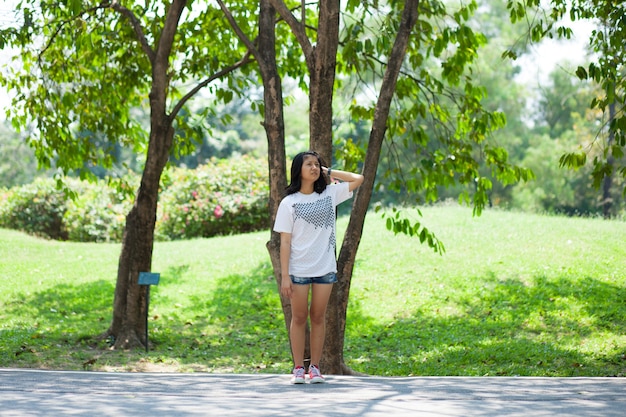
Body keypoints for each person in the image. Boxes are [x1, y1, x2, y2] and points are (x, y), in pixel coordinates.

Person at [273, 151, 364, 384]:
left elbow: (358, 178)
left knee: (318, 317)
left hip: (325, 268)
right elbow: (284, 241)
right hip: (298, 270)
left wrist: (329, 172)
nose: (314, 167)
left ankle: (314, 368)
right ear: (298, 170)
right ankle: (297, 369)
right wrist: (285, 276)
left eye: (317, 164)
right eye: (309, 164)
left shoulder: (330, 194)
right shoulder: (289, 202)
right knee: (300, 317)